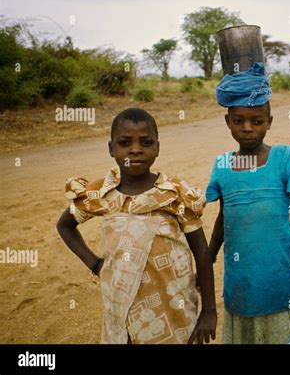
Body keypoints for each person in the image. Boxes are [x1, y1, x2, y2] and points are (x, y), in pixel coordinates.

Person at [56, 108, 217, 344]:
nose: (135, 149)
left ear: (157, 147)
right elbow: (65, 226)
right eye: (124, 142)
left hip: (174, 305)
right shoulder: (100, 193)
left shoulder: (175, 194)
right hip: (123, 302)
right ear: (111, 148)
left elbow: (201, 253)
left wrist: (209, 311)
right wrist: (96, 264)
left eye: (145, 142)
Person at [206, 63, 290, 344]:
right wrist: (209, 254)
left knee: (282, 334)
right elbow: (224, 215)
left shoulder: (286, 157)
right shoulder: (223, 164)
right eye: (238, 121)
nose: (247, 128)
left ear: (270, 122)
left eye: (257, 121)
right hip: (239, 277)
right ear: (228, 122)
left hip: (279, 275)